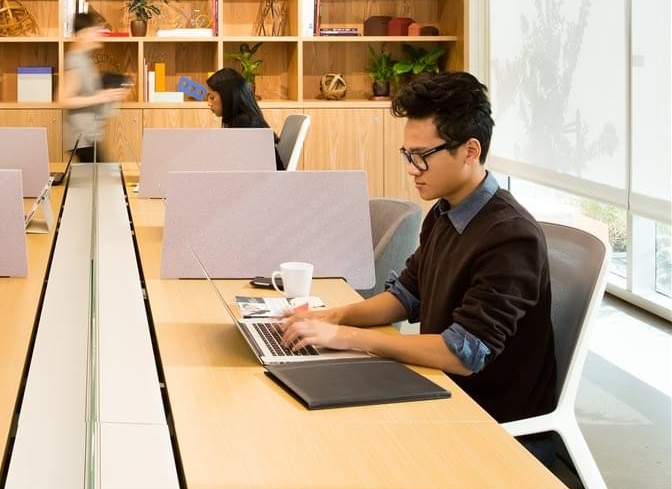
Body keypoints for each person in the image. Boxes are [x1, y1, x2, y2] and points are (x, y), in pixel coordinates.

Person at [280, 72, 557, 431]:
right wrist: (329, 318)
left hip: (482, 418)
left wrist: (346, 337)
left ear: (470, 151)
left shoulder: (511, 237)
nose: (412, 169)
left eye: (422, 156)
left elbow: (462, 354)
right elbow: (405, 297)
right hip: (436, 386)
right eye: (407, 155)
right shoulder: (445, 213)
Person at [61, 12, 129, 162]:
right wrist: (100, 97)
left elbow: (89, 96)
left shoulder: (85, 60)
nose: (100, 35)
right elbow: (64, 100)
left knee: (98, 181)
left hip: (89, 135)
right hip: (81, 136)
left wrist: (109, 95)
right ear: (82, 34)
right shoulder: (75, 60)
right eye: (96, 31)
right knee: (99, 181)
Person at [205, 67, 284, 170]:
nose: (209, 103)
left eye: (212, 97)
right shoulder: (246, 119)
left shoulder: (245, 123)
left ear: (227, 96)